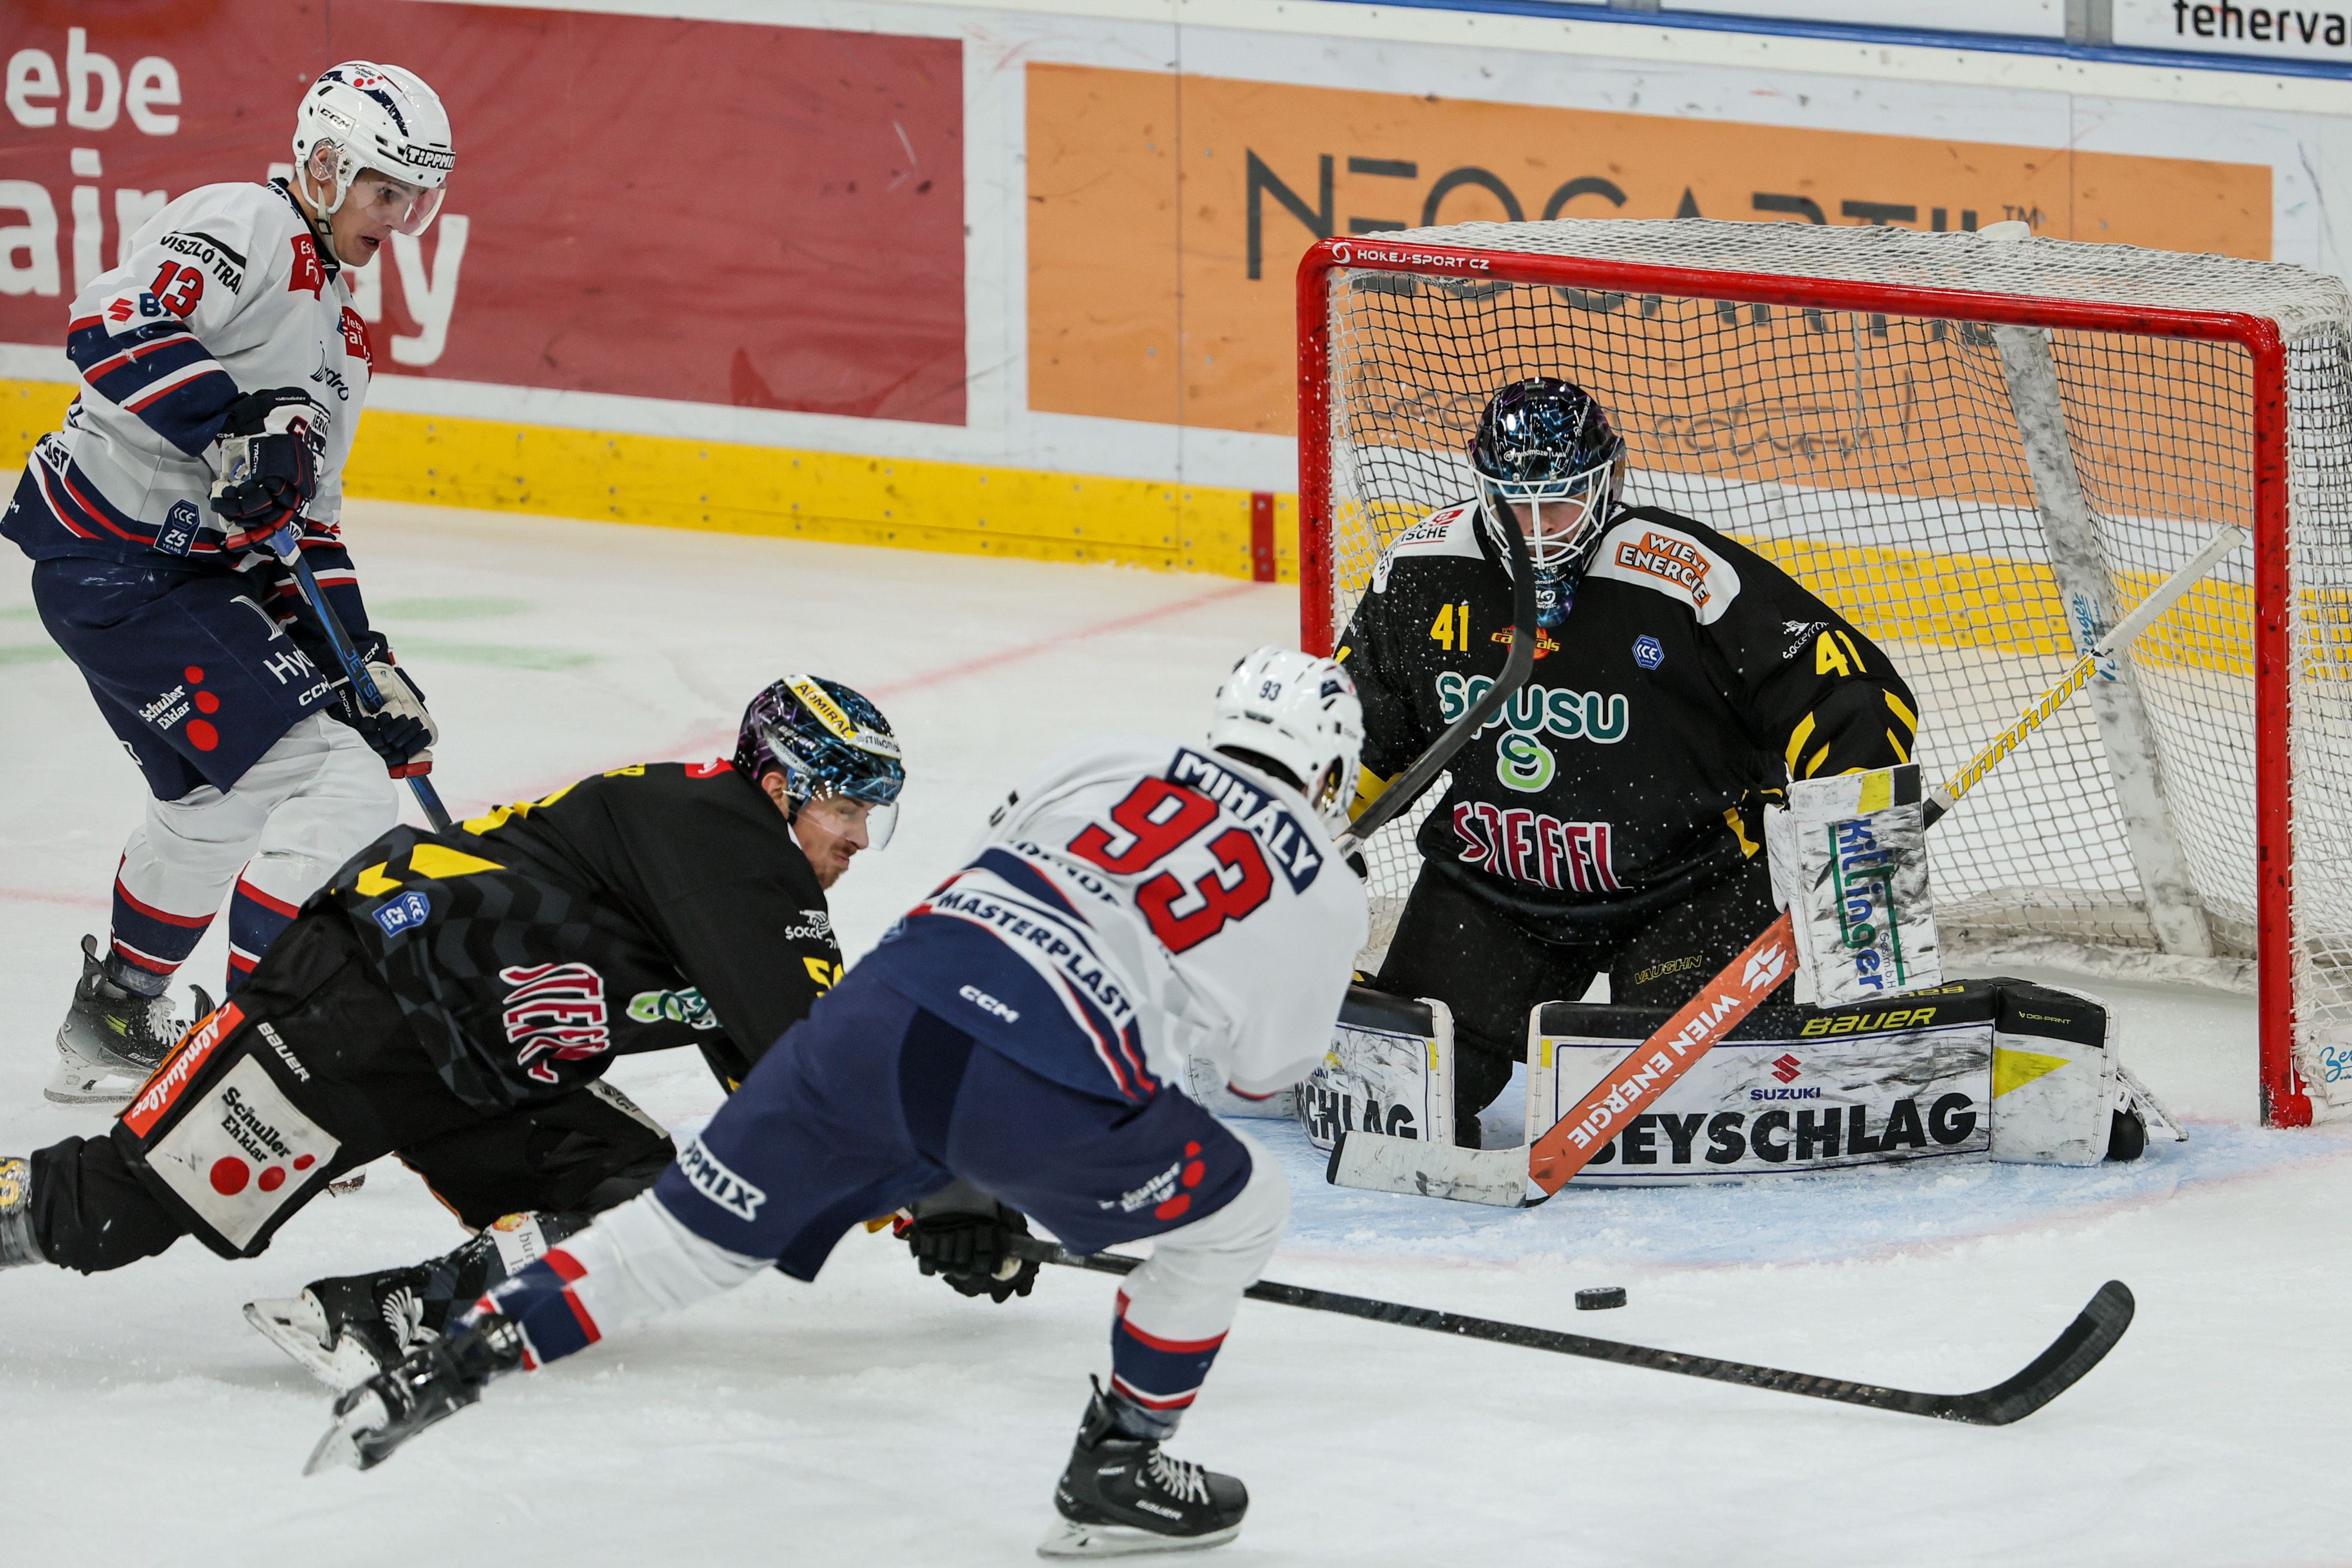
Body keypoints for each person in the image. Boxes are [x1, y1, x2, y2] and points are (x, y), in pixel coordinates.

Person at [302, 647, 1369, 1560]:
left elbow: (993, 868)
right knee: (1243, 1213)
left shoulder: (1112, 757)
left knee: (689, 1242)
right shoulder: (1324, 874)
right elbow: (1253, 1080)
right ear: (1326, 766)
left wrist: (944, 1175)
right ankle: (1121, 1465)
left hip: (888, 1006)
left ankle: (455, 1359)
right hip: (1048, 1070)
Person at [0, 677, 900, 1329]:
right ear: (780, 786)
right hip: (358, 1007)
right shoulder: (730, 845)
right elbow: (809, 1062)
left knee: (623, 1191)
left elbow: (774, 1076)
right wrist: (939, 1185)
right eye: (847, 808)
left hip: (482, 1058)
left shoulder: (730, 857)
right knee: (107, 1212)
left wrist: (905, 1186)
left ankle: (389, 1314)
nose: (859, 839)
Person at [2, 63, 455, 1104]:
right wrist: (230, 423)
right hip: (115, 566)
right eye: (386, 190)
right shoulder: (246, 223)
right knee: (331, 776)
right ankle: (263, 1072)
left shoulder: (345, 343)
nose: (399, 218)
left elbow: (309, 526)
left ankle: (117, 1018)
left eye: (415, 198)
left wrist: (369, 665)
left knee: (219, 803)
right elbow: (106, 326)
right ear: (326, 165)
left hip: (170, 581)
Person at [1339, 376, 1921, 1145]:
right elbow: (1351, 736)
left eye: (1561, 502)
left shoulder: (1680, 575)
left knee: (1709, 1118)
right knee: (1399, 1097)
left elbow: (1848, 692)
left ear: (1611, 480)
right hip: (1491, 892)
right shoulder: (1422, 571)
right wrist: (1287, 857)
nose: (1537, 530)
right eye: (1514, 502)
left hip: (1684, 890)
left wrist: (1861, 862)